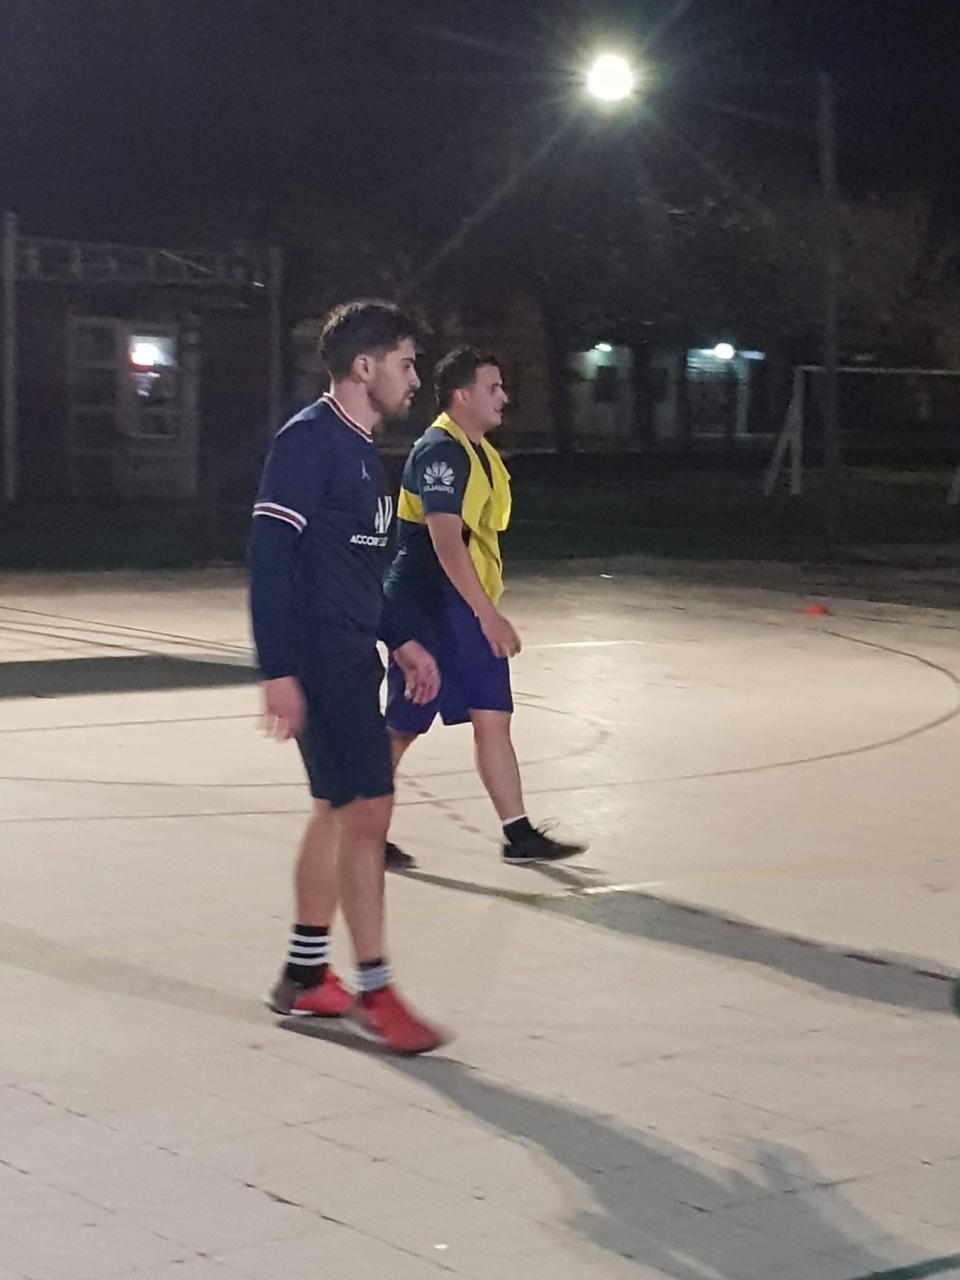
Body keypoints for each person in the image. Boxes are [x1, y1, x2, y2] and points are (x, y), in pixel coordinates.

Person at [248, 299, 446, 1054]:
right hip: (320, 661)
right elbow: (270, 556)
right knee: (368, 812)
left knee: (336, 809)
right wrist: (278, 670)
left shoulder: (363, 452)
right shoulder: (309, 443)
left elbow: (359, 570)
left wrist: (401, 638)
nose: (414, 378)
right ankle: (376, 989)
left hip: (350, 653)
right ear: (364, 367)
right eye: (405, 362)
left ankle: (303, 975)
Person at [382, 345, 587, 870]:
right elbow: (447, 543)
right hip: (428, 606)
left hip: (464, 605)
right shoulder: (439, 452)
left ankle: (518, 833)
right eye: (493, 388)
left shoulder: (480, 454)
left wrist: (481, 609)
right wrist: (487, 613)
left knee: (493, 715)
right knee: (404, 725)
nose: (505, 397)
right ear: (462, 395)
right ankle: (360, 825)